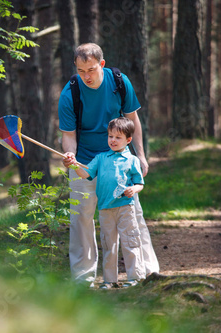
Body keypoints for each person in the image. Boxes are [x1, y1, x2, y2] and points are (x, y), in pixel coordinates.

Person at [58, 43, 159, 285]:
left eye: (91, 70)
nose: (86, 76)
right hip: (85, 161)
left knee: (132, 215)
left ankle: (147, 272)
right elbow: (69, 135)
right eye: (81, 71)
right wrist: (70, 158)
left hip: (120, 162)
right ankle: (83, 277)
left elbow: (133, 120)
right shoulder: (70, 92)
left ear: (101, 64)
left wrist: (141, 155)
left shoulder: (119, 82)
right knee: (81, 217)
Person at [72, 117, 146, 288]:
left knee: (130, 241)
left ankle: (135, 277)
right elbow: (86, 174)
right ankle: (109, 281)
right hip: (105, 210)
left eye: (118, 137)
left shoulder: (132, 160)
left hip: (125, 208)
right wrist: (74, 165)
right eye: (110, 136)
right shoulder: (101, 158)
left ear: (128, 140)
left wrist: (133, 190)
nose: (112, 140)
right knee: (108, 245)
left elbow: (139, 183)